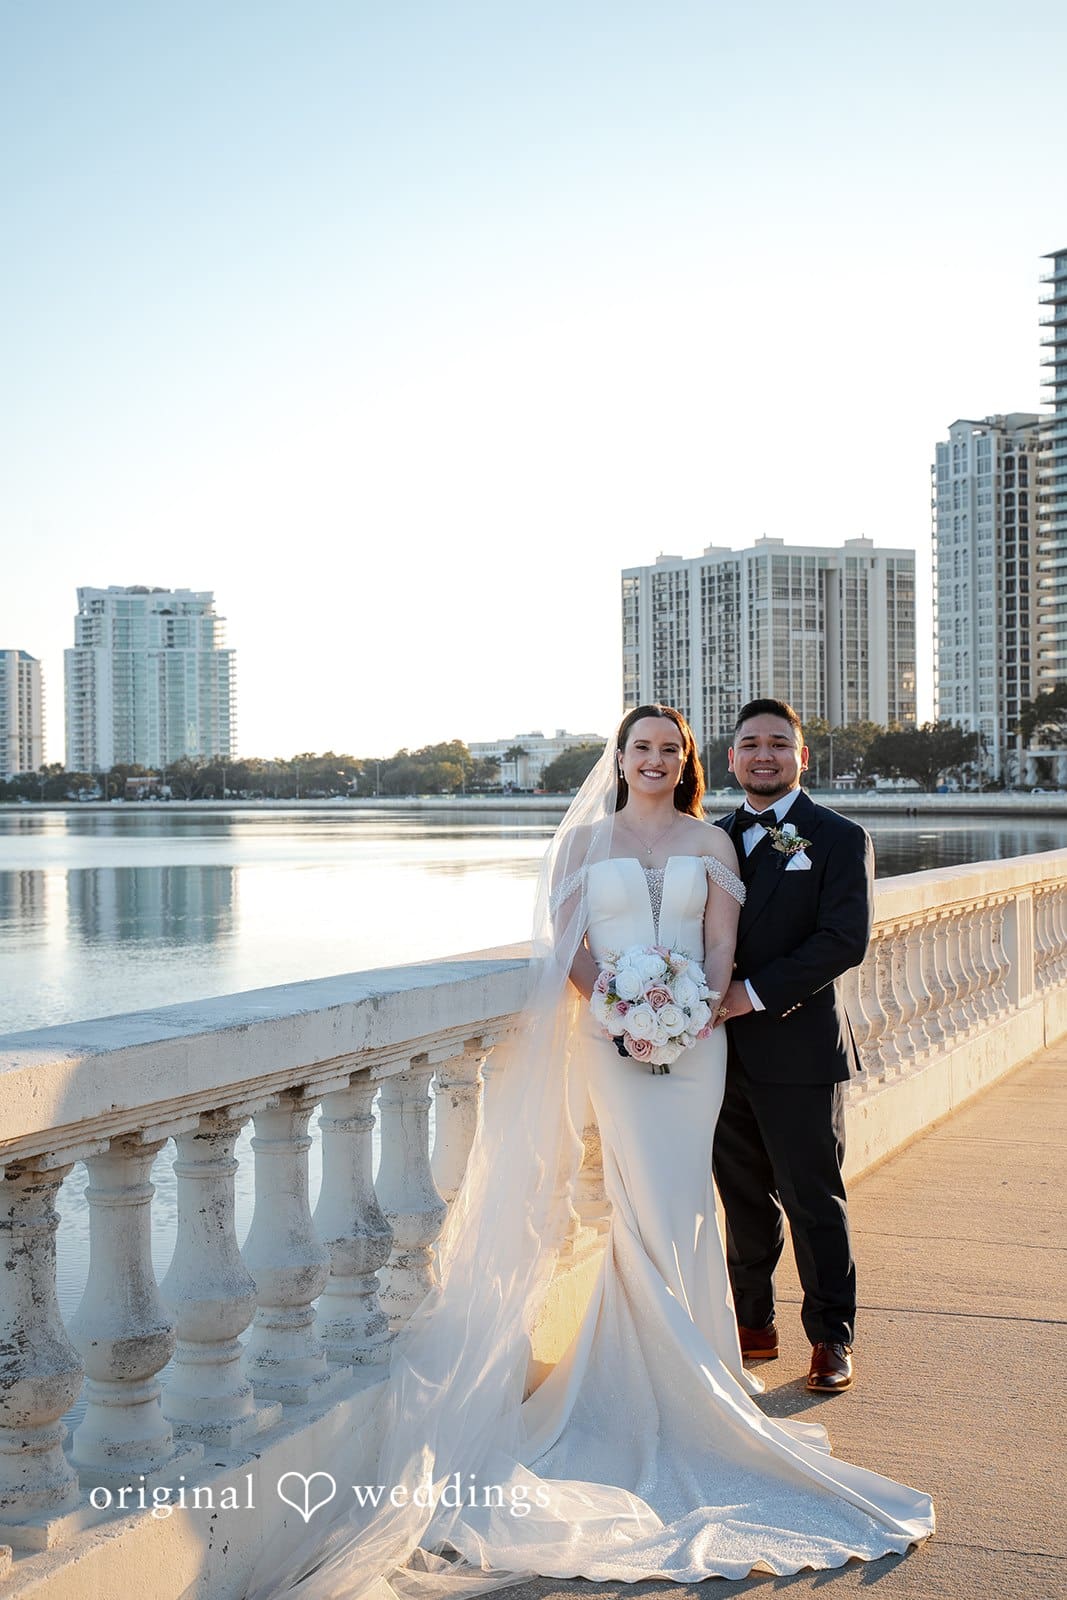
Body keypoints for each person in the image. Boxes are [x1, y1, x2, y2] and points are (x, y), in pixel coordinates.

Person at [250, 706, 932, 1600]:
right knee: (651, 1202)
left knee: (704, 1200)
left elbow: (723, 948)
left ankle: (752, 1358)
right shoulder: (588, 845)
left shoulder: (725, 843)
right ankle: (678, 1372)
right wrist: (619, 1009)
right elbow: (568, 948)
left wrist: (694, 1008)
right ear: (620, 758)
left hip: (705, 1042)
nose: (653, 760)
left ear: (690, 761)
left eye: (666, 750)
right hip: (614, 1043)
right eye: (639, 748)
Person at [713, 698, 872, 1393]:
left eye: (778, 743)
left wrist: (749, 994)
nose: (763, 754)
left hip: (799, 1052)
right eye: (750, 743)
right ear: (730, 758)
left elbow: (843, 941)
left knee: (813, 1201)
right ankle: (752, 1324)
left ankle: (830, 1338)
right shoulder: (711, 838)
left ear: (800, 757)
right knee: (741, 1201)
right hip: (716, 1057)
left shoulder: (836, 837)